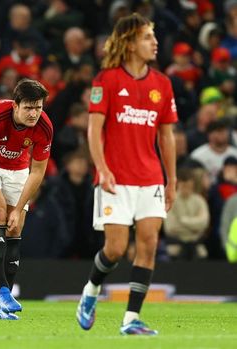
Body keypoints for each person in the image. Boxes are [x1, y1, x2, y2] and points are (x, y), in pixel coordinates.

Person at [76, 13, 178, 335]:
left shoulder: (162, 84)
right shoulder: (106, 80)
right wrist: (102, 168)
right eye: (148, 36)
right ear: (130, 42)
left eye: (153, 36)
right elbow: (94, 130)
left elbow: (166, 136)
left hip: (150, 178)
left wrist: (171, 179)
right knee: (116, 249)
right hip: (115, 178)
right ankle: (91, 291)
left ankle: (131, 318)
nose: (155, 42)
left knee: (148, 245)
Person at [0, 78, 53, 320]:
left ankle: (3, 305)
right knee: (0, 214)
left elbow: (38, 171)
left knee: (15, 227)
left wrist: (22, 207)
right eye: (28, 108)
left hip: (18, 168)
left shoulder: (44, 126)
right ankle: (1, 290)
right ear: (15, 105)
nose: (34, 113)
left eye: (38, 107)